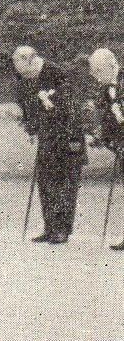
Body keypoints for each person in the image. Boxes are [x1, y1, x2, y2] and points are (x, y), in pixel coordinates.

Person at [13, 45, 87, 245]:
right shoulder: (25, 79)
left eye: (25, 71)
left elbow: (72, 110)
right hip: (46, 139)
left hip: (68, 139)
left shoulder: (58, 74)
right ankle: (50, 227)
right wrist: (31, 128)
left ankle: (62, 229)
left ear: (31, 60)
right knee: (45, 183)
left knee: (65, 185)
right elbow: (28, 107)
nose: (24, 76)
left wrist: (72, 140)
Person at [88, 48, 124, 251]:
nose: (96, 77)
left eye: (98, 71)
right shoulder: (103, 88)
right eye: (93, 72)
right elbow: (103, 116)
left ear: (112, 65)